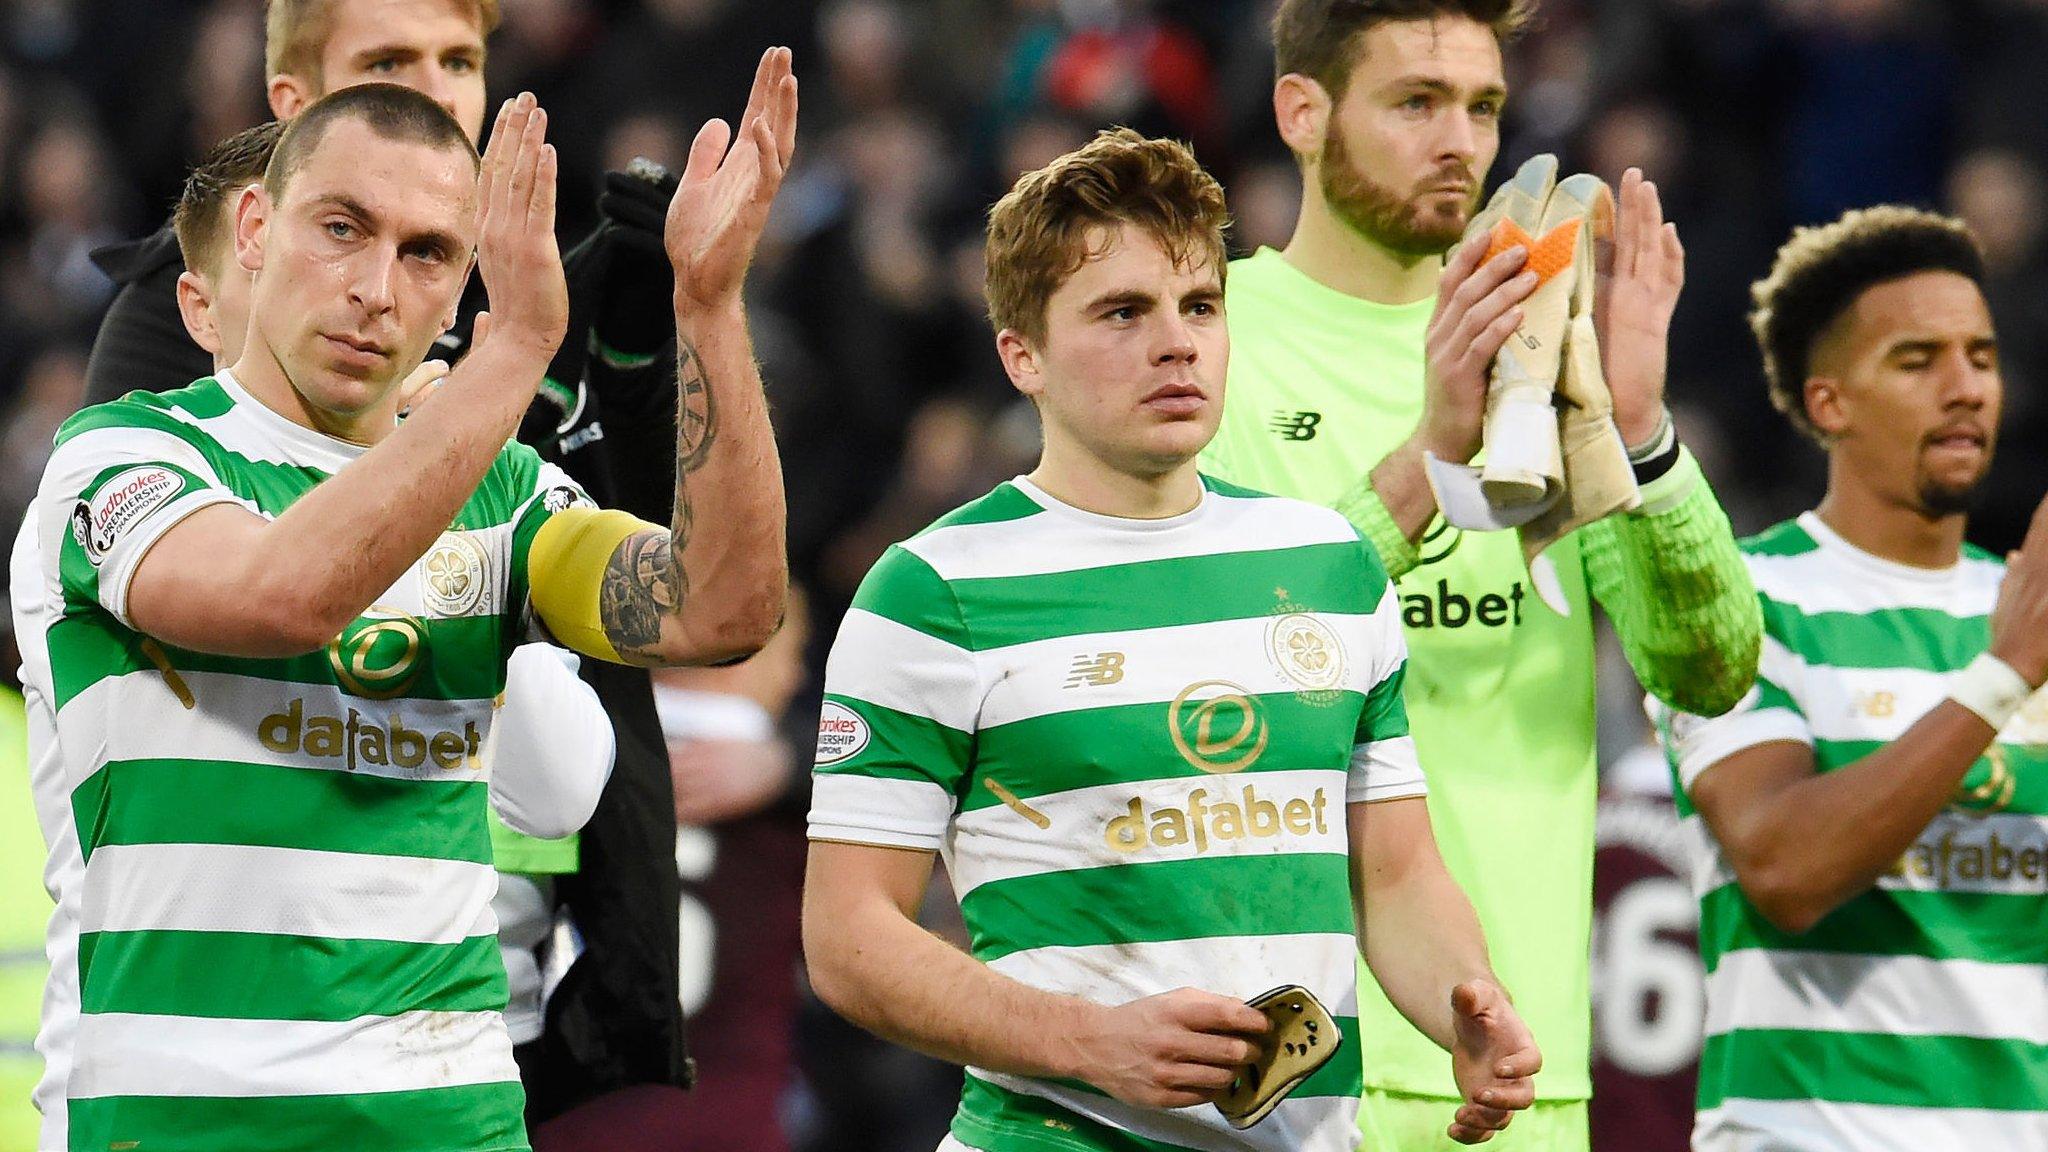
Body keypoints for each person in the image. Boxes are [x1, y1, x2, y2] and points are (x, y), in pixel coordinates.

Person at [27, 72, 791, 1152]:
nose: (377, 289)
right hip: (175, 1122)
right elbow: (282, 593)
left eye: (428, 252)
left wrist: (708, 307)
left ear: (464, 277)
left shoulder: (512, 496)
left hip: (453, 1119)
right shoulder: (126, 457)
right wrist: (514, 356)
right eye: (343, 229)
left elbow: (719, 611)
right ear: (255, 226)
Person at [802, 127, 1540, 1152]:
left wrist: (1466, 998)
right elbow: (847, 941)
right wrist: (1085, 1041)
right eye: (1121, 312)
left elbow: (1395, 876)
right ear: (1022, 355)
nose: (1175, 342)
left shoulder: (1328, 564)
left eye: (1199, 306)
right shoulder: (934, 590)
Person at [1197, 3, 1761, 1146]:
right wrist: (1428, 458)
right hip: (1274, 1071)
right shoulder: (1201, 341)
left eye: (1482, 107)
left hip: (1515, 1074)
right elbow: (1212, 690)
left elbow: (1704, 670)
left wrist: (1639, 439)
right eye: (1414, 102)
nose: (1459, 140)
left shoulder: (1541, 351)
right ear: (1300, 113)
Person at [1651, 206, 2048, 1149]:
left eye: (1982, 358)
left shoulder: (2024, 605)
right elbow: (1785, 867)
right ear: (1829, 402)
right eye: (1919, 361)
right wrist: (2002, 678)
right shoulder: (1740, 596)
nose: (1966, 389)